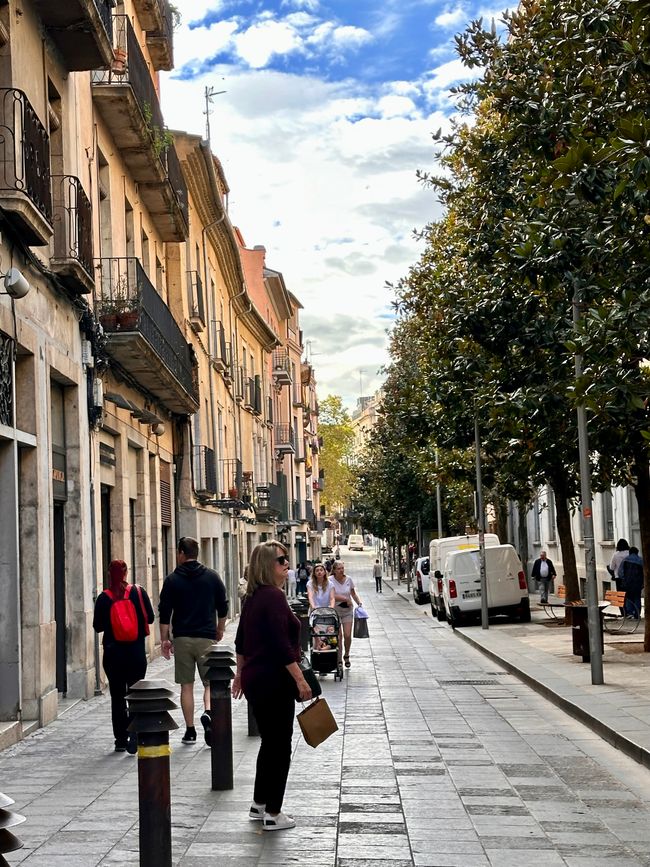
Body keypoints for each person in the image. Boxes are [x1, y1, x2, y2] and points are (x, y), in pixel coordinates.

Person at [232, 541, 312, 831]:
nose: (287, 564)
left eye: (287, 558)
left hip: (257, 680)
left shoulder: (253, 598)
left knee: (269, 742)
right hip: (275, 681)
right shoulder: (272, 598)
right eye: (281, 560)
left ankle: (259, 803)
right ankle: (274, 813)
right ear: (268, 565)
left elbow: (240, 642)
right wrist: (300, 679)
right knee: (280, 746)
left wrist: (240, 676)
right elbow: (281, 647)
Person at [159, 537, 229, 746]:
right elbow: (223, 606)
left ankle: (190, 731)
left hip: (182, 639)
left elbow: (164, 613)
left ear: (181, 553)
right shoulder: (212, 577)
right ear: (197, 553)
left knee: (186, 686)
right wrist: (220, 629)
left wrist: (165, 639)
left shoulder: (172, 580)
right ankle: (208, 713)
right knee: (209, 682)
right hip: (206, 637)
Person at [93, 560, 154, 753]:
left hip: (113, 654)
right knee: (136, 693)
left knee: (117, 696)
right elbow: (150, 617)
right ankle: (135, 731)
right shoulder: (138, 592)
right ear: (126, 573)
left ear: (109, 574)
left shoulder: (104, 598)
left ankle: (120, 739)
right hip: (135, 653)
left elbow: (97, 626)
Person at [330, 560, 363, 668]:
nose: (341, 570)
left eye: (342, 568)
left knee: (347, 635)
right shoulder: (330, 581)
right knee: (339, 636)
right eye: (338, 568)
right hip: (335, 611)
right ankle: (339, 659)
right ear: (334, 570)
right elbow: (332, 595)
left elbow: (353, 593)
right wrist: (344, 598)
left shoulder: (348, 579)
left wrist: (359, 602)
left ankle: (346, 654)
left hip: (347, 610)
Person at [620, 546, 643, 618]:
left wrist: (623, 579)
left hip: (627, 583)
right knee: (637, 598)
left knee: (629, 598)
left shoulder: (625, 560)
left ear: (630, 553)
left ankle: (630, 613)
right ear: (637, 552)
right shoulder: (641, 561)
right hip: (638, 583)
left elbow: (620, 573)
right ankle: (637, 613)